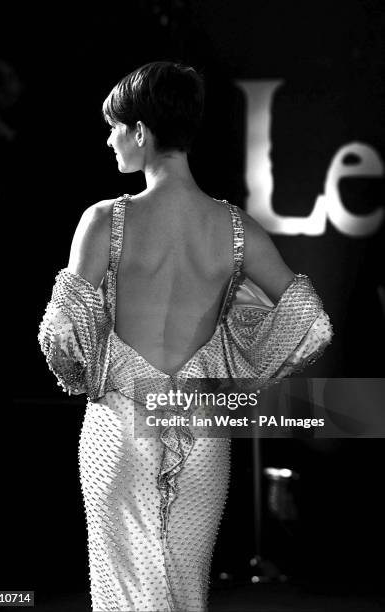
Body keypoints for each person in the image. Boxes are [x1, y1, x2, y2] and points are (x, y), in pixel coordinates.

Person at [38, 61, 333, 612]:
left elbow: (61, 336)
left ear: (141, 132)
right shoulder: (237, 228)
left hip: (117, 430)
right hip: (199, 425)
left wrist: (91, 372)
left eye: (114, 128)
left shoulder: (104, 219)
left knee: (124, 595)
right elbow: (310, 321)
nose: (109, 140)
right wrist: (235, 348)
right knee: (186, 594)